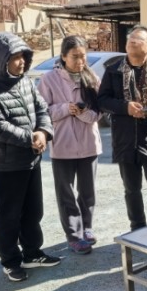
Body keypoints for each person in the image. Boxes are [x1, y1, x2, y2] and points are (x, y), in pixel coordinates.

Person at [0, 32, 59, 282]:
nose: (21, 62)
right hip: (6, 164)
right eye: (15, 57)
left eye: (23, 56)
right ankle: (10, 261)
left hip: (31, 159)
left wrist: (43, 132)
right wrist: (30, 138)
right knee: (8, 216)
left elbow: (42, 109)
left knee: (33, 211)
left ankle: (32, 253)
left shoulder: (24, 82)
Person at [97, 25, 147, 230]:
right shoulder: (113, 71)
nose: (132, 40)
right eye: (130, 38)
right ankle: (137, 229)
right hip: (124, 140)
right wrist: (125, 108)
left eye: (138, 38)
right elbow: (102, 100)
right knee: (131, 190)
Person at [38, 35, 103, 255]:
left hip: (89, 144)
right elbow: (41, 112)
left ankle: (87, 227)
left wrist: (82, 113)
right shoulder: (49, 80)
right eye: (75, 56)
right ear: (63, 56)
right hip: (62, 146)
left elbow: (98, 113)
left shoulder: (92, 78)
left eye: (83, 56)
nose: (80, 61)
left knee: (87, 191)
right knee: (65, 193)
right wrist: (66, 108)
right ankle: (74, 236)